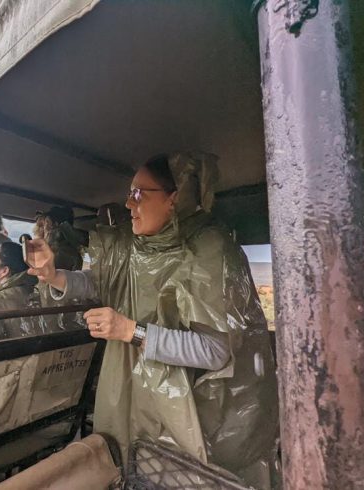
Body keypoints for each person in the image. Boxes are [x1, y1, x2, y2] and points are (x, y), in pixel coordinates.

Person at [26, 152, 279, 488]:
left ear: (174, 198)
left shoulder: (208, 250)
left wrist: (130, 330)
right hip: (132, 390)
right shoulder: (135, 247)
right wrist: (54, 276)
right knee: (130, 468)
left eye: (138, 194)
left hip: (189, 411)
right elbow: (101, 281)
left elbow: (215, 351)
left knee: (167, 475)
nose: (128, 204)